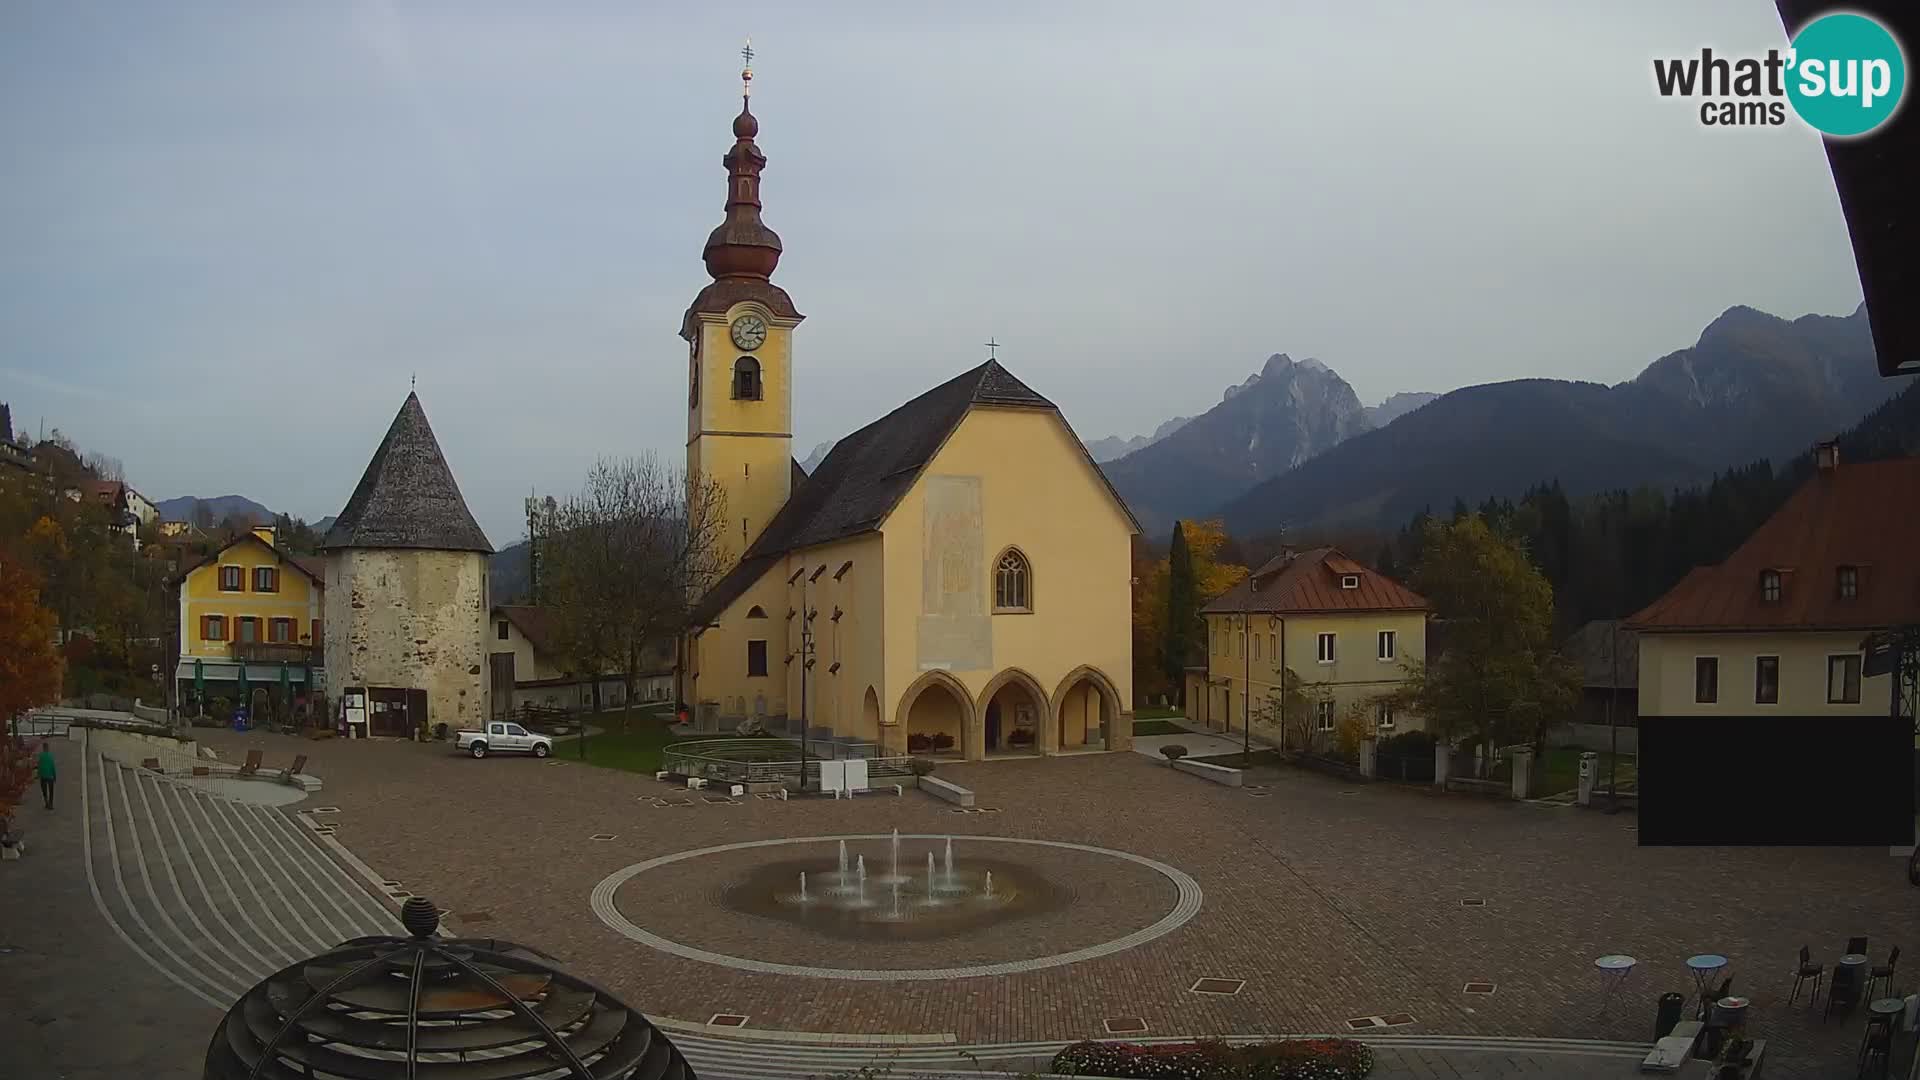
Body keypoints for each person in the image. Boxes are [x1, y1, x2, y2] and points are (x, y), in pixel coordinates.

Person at [37, 741, 56, 810]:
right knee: (51, 791)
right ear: (48, 748)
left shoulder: (41, 756)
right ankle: (51, 804)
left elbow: (39, 766)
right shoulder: (50, 756)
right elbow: (53, 767)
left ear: (43, 748)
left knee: (44, 790)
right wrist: (54, 776)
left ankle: (46, 802)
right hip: (50, 776)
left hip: (43, 776)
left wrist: (38, 775)